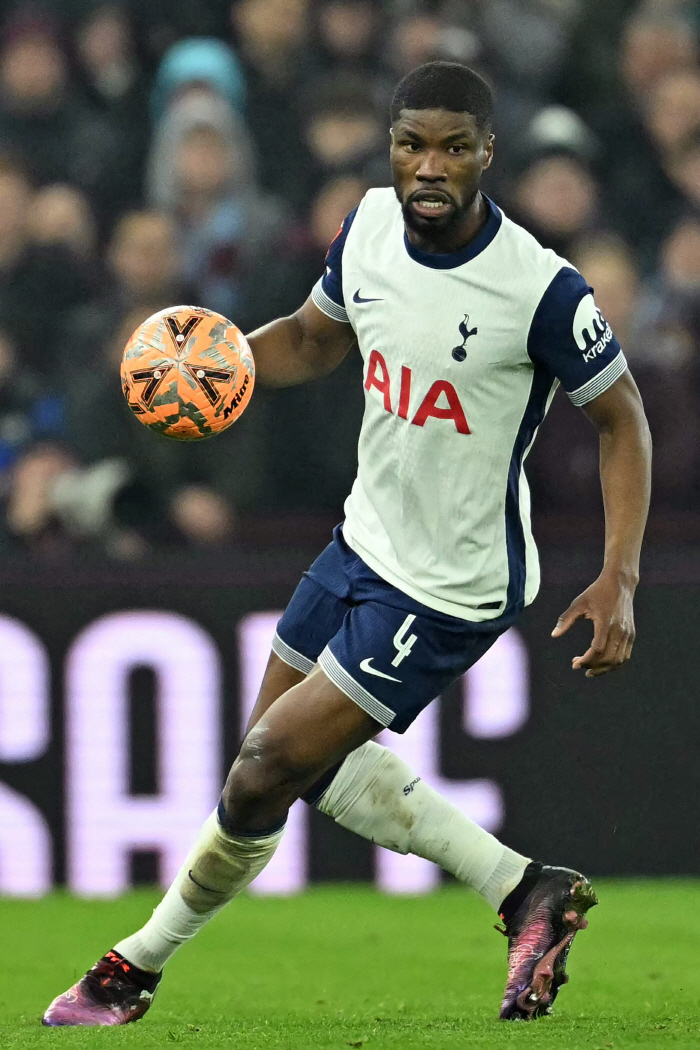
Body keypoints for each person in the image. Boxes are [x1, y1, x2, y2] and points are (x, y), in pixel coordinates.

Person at [43, 61, 651, 1027]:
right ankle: (525, 888)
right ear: (392, 148)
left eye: (454, 146)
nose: (429, 166)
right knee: (273, 767)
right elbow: (317, 340)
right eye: (412, 144)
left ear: (488, 153)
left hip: (452, 582)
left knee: (264, 767)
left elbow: (624, 421)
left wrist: (618, 577)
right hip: (363, 540)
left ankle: (133, 970)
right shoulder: (369, 223)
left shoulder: (538, 287)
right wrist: (221, 368)